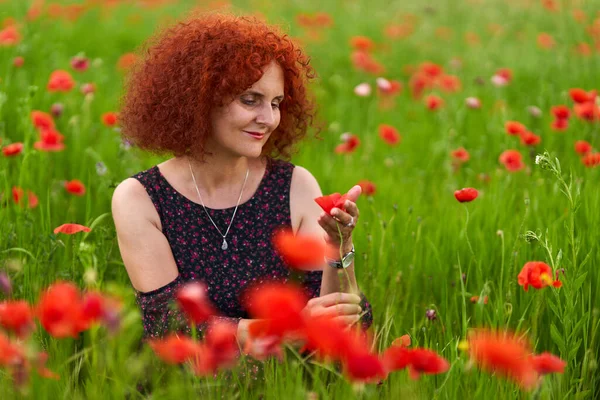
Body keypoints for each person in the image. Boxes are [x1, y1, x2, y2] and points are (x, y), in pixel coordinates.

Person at [111, 13, 372, 344]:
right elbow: (171, 326)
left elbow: (336, 316)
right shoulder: (140, 198)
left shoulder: (295, 186)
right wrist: (286, 330)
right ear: (200, 98)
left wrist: (339, 243)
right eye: (250, 100)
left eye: (276, 103)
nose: (268, 119)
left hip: (292, 379)